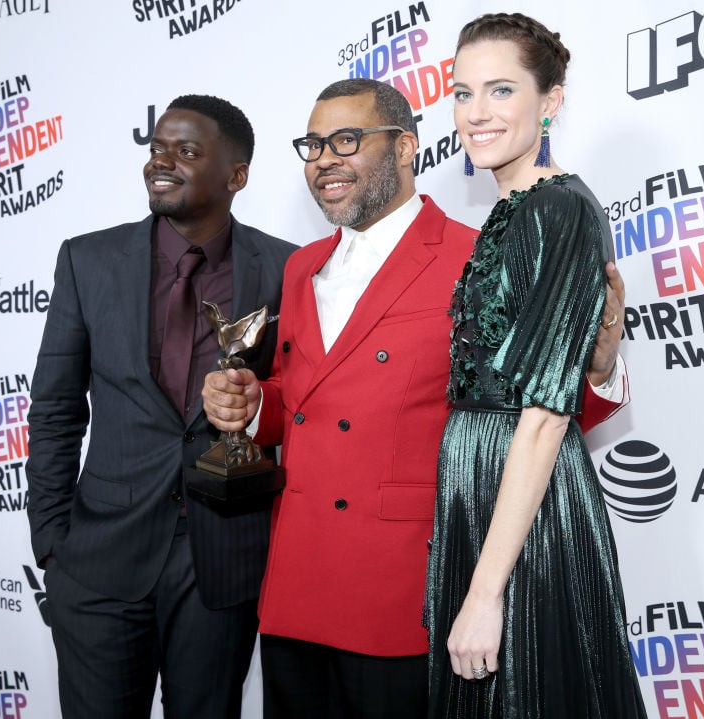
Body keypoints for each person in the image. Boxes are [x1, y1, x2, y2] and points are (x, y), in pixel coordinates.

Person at [201, 78, 627, 719]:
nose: (324, 160)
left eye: (346, 140)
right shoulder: (301, 267)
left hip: (403, 591)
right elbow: (306, 398)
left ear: (405, 147)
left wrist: (598, 365)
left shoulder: (475, 254)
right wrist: (253, 406)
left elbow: (537, 415)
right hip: (296, 583)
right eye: (313, 145)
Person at [25, 94, 295, 719]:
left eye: (187, 151)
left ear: (236, 175)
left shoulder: (286, 269)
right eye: (156, 149)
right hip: (98, 562)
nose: (161, 163)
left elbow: (294, 407)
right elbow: (56, 409)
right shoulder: (88, 260)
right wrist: (52, 547)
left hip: (223, 560)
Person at [425, 13, 647, 718]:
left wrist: (487, 592)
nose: (475, 113)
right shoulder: (513, 209)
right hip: (480, 491)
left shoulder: (560, 209)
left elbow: (547, 414)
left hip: (529, 506)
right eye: (462, 93)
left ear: (550, 101)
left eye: (500, 90)